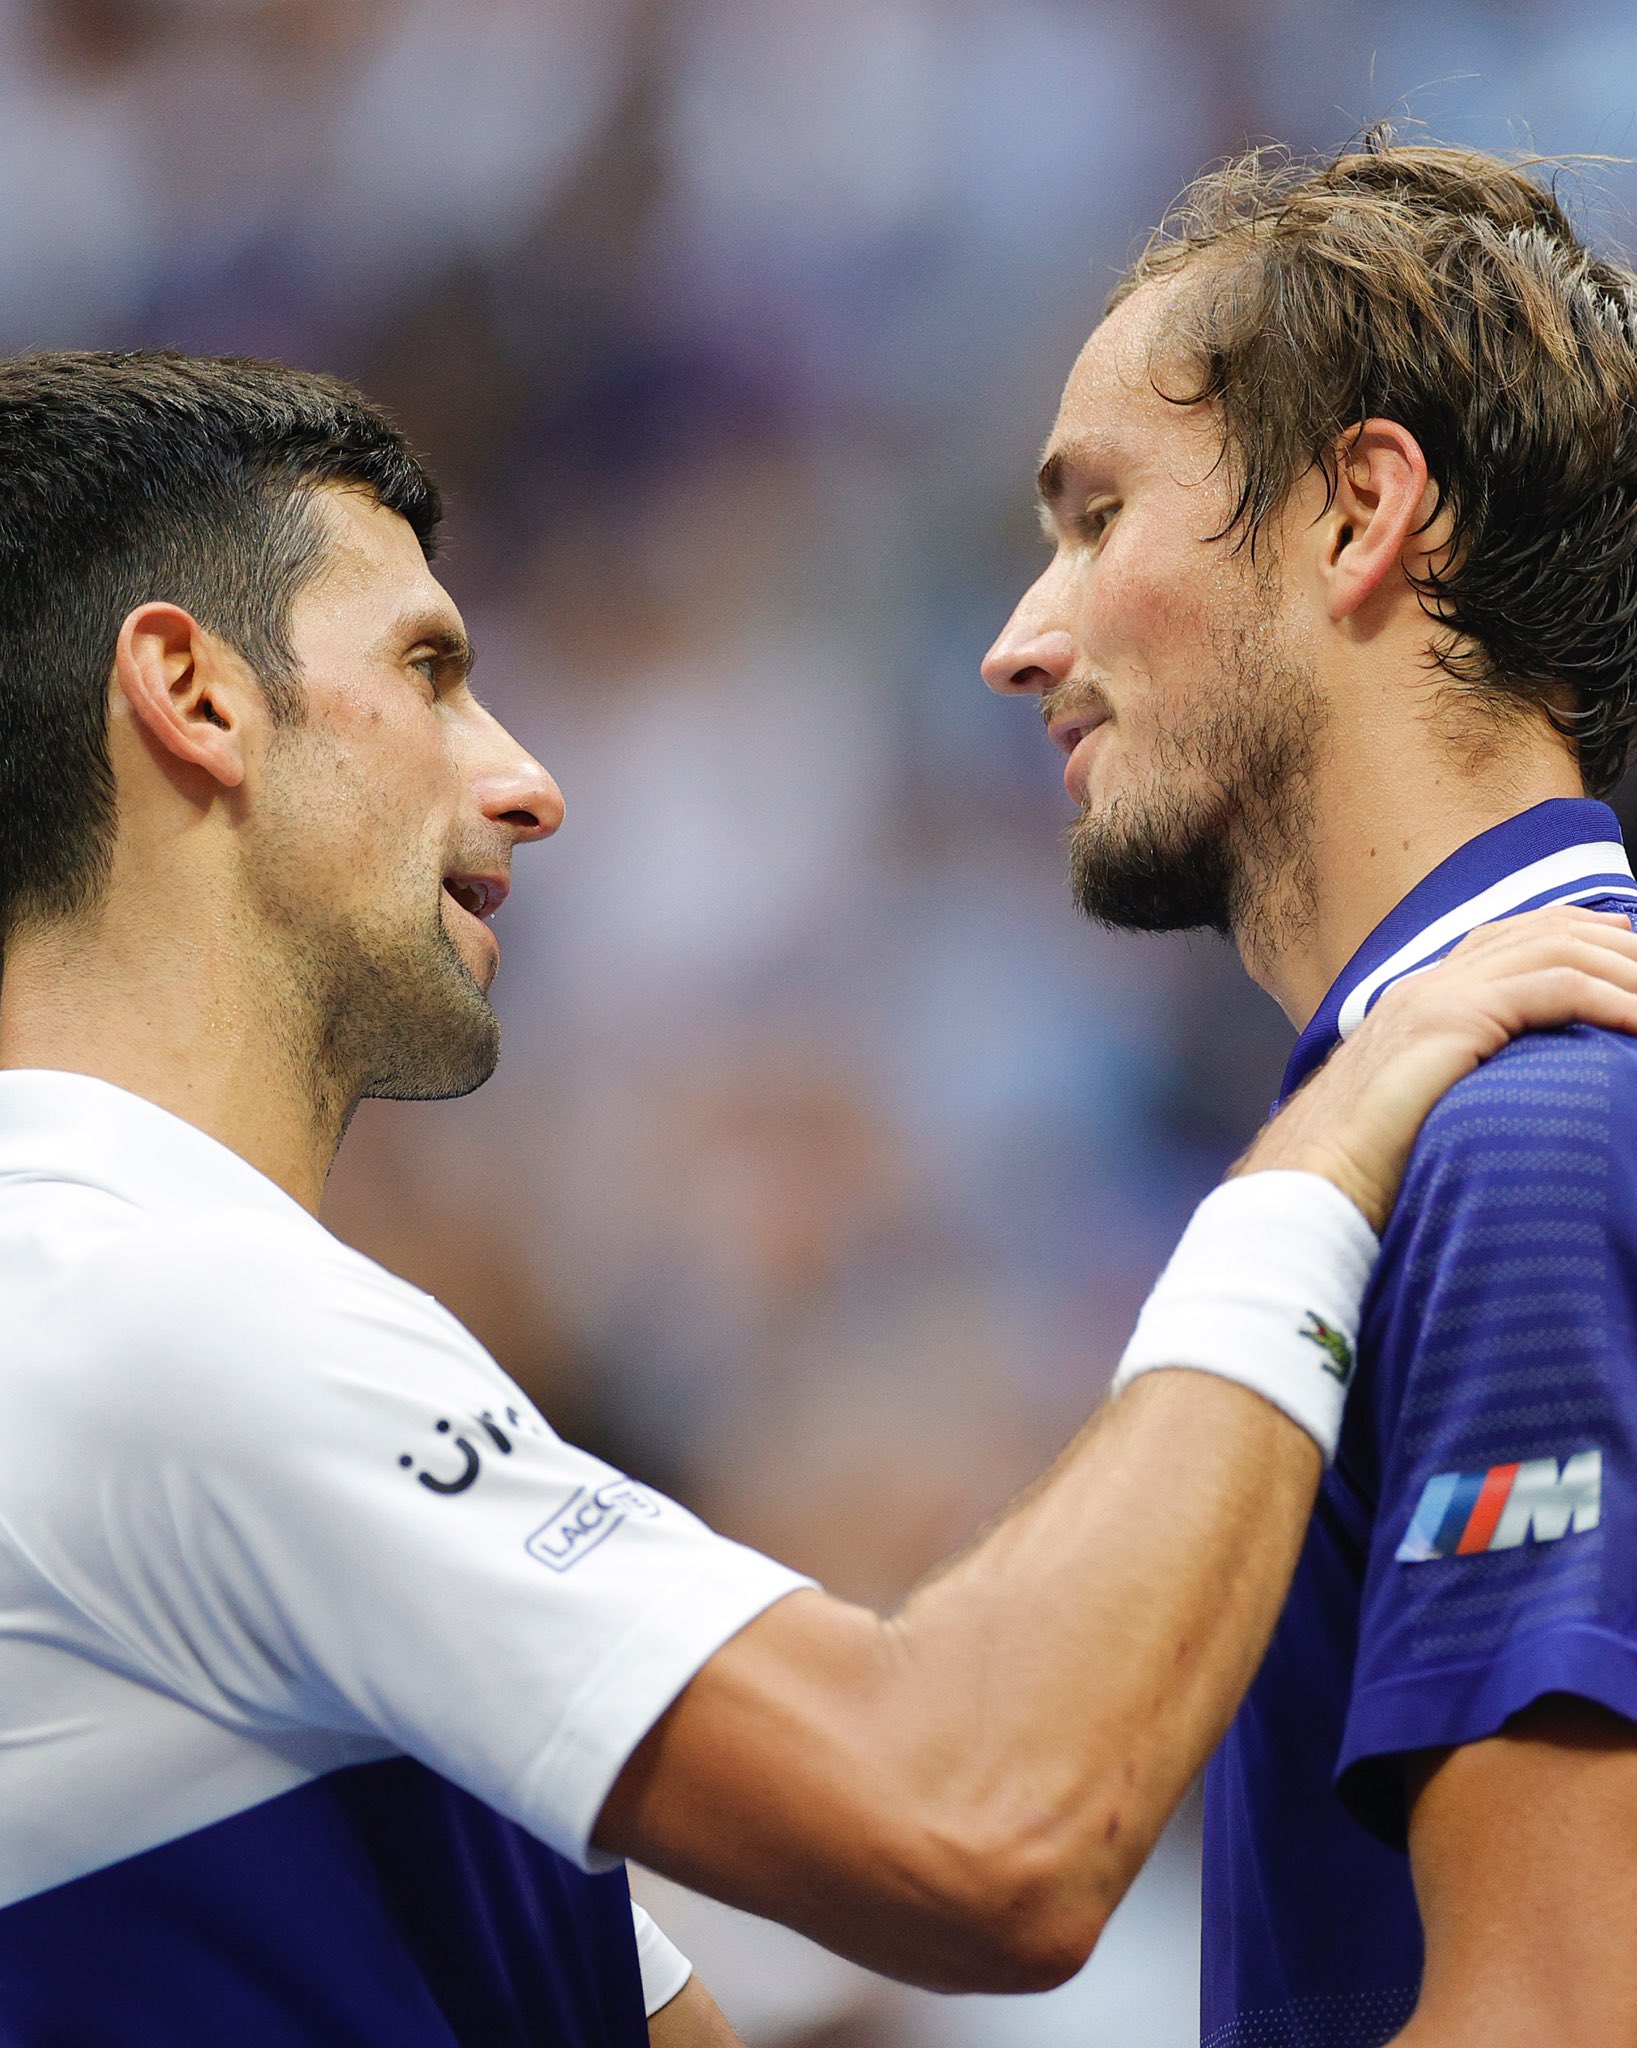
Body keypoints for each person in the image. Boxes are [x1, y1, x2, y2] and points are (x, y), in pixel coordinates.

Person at [0, 357, 1634, 2048]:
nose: (525, 782)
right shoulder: (139, 1311)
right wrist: (1317, 1152)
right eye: (428, 671)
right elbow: (988, 1824)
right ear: (192, 693)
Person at [982, 135, 1637, 2048]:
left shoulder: (1522, 1136)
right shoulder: (1451, 1121)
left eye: (1095, 516)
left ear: (1360, 512)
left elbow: (1553, 2014)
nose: (1023, 640)